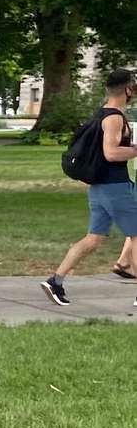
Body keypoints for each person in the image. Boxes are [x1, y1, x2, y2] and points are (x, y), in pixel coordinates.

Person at [42, 69, 137, 306]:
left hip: (98, 188)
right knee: (136, 237)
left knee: (93, 239)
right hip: (115, 187)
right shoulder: (115, 117)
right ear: (127, 89)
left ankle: (55, 281)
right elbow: (111, 152)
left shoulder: (100, 114)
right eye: (132, 87)